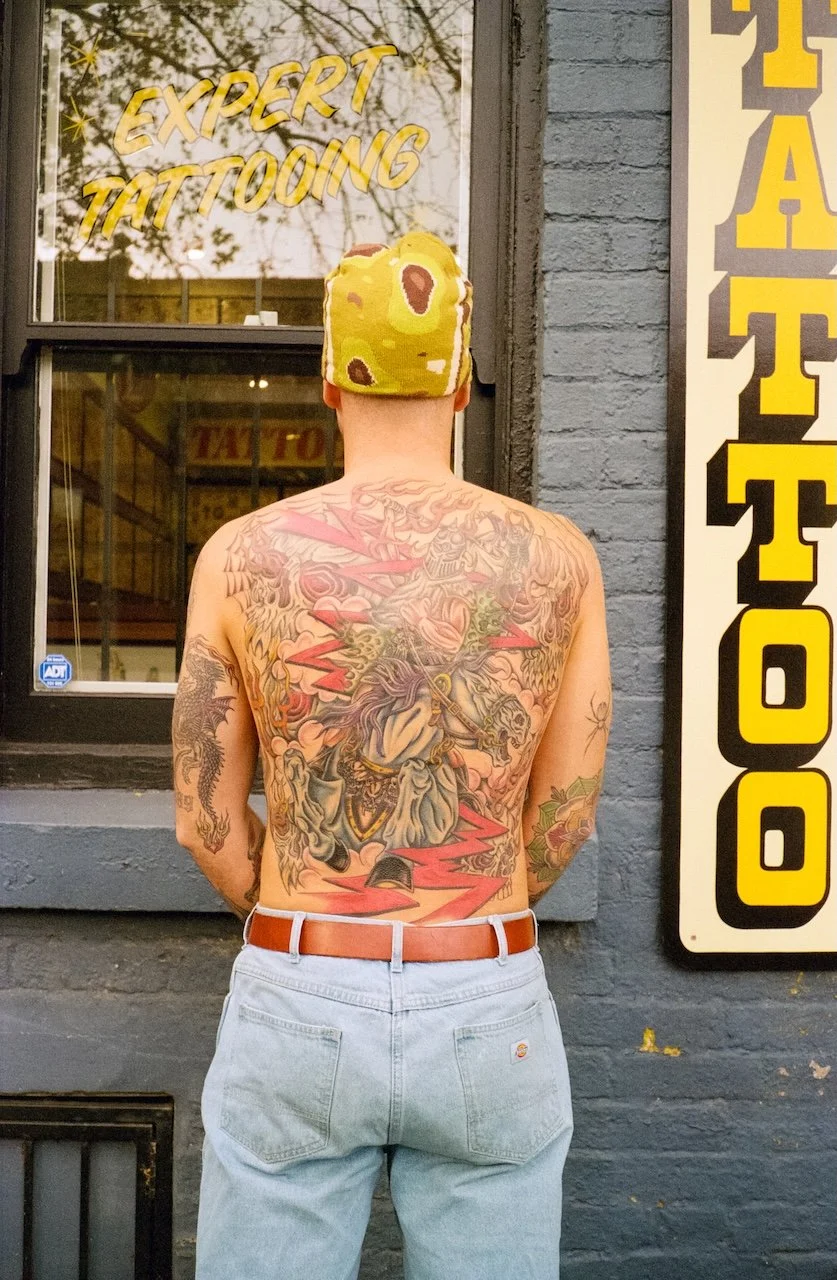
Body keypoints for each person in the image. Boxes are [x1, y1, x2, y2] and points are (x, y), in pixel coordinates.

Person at [174, 230, 611, 1280]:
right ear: (462, 381)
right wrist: (471, 896)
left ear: (329, 377)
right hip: (485, 981)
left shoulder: (240, 555)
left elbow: (204, 816)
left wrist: (301, 909)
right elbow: (563, 815)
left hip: (302, 975)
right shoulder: (559, 557)